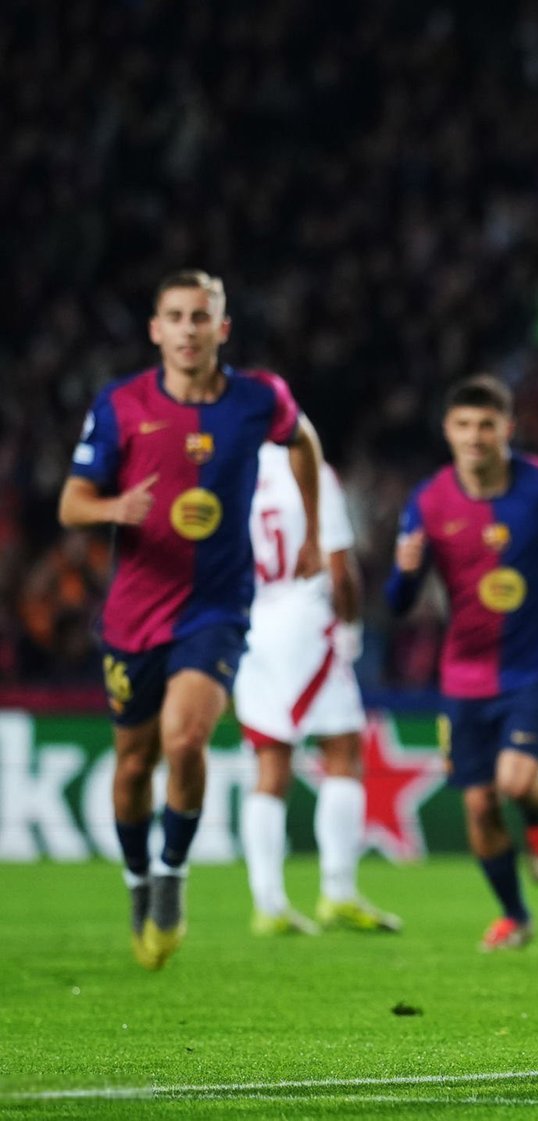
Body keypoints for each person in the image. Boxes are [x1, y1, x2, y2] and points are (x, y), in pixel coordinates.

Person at [59, 269, 324, 970]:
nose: (187, 329)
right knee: (132, 764)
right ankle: (137, 881)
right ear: (156, 329)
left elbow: (303, 441)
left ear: (221, 328)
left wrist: (312, 531)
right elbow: (71, 502)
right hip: (134, 615)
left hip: (217, 607)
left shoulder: (258, 398)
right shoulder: (122, 405)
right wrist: (114, 509)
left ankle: (172, 873)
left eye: (200, 316)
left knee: (185, 738)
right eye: (175, 316)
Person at [386, 375, 538, 951]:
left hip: (534, 664)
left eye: (487, 425)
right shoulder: (429, 500)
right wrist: (405, 572)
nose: (475, 436)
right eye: (464, 425)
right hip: (463, 674)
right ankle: (515, 916)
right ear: (448, 431)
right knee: (479, 805)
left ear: (508, 430)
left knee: (513, 780)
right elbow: (397, 603)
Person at [234, 442, 401, 936]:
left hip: (252, 623)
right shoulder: (309, 471)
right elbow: (339, 567)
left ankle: (267, 903)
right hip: (304, 617)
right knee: (343, 750)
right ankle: (337, 892)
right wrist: (350, 627)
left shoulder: (235, 468)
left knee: (270, 763)